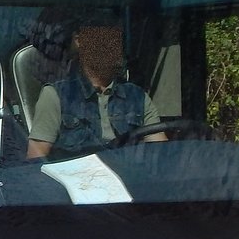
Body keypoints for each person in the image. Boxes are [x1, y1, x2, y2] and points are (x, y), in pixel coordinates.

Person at [26, 19, 166, 160]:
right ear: (79, 40)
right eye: (100, 37)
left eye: (114, 39)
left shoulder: (138, 97)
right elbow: (36, 159)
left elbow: (160, 155)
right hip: (79, 179)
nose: (108, 45)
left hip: (132, 179)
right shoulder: (55, 95)